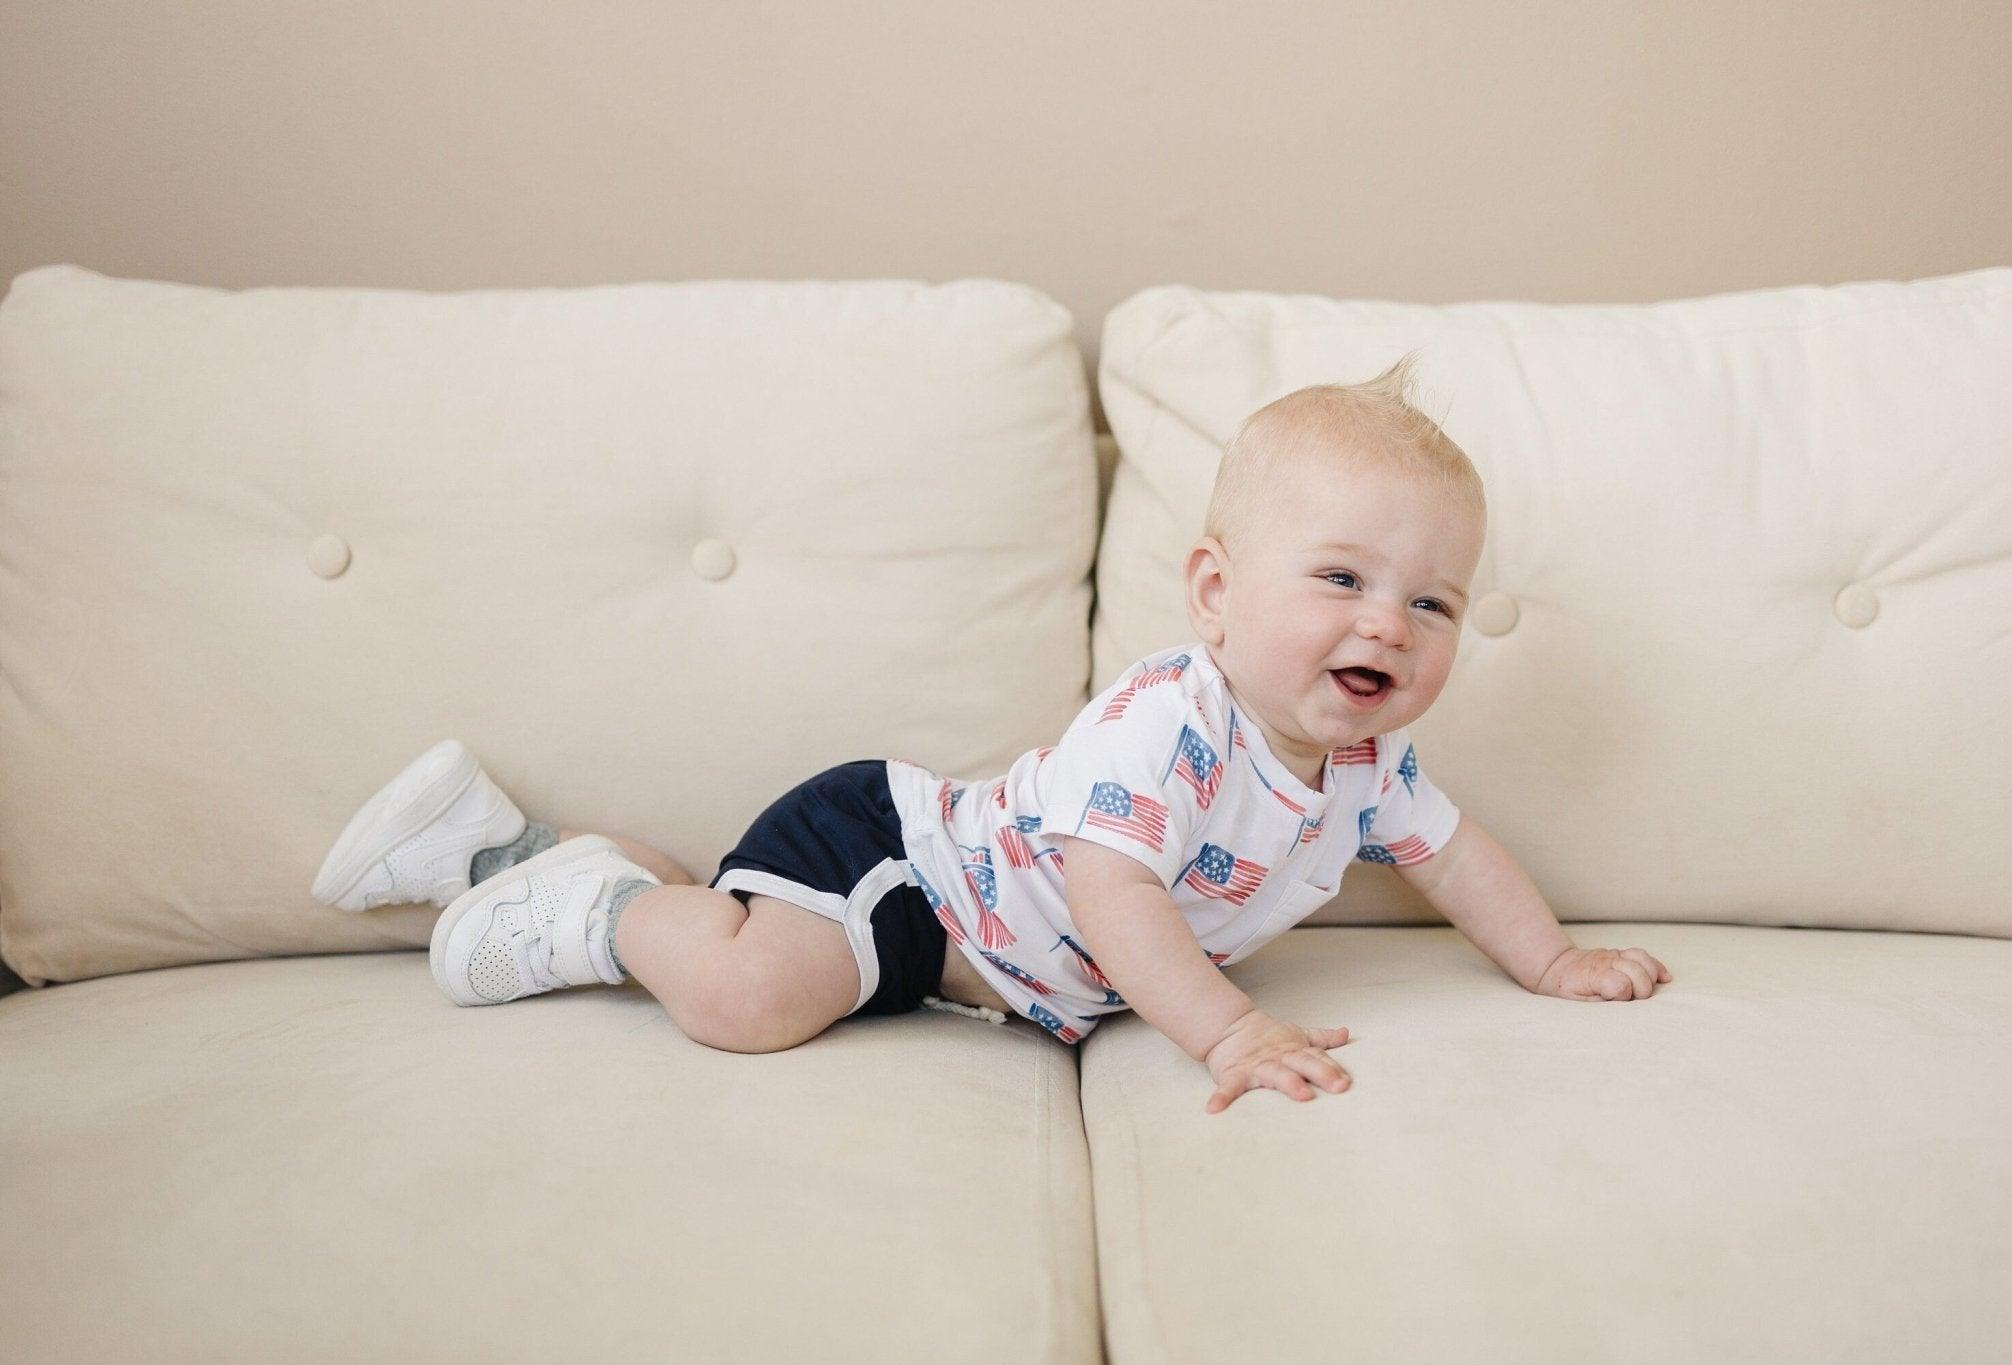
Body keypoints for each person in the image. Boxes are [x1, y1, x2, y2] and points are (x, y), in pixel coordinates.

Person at [312, 354, 1670, 1114]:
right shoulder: (1166, 727)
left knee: (745, 945)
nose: (1389, 625)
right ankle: (594, 909)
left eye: (1430, 601)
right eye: (1342, 580)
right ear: (1215, 591)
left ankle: (537, 849)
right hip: (901, 869)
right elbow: (1111, 892)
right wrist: (1232, 1033)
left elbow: (1459, 854)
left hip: (962, 959)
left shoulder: (1371, 767)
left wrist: (1550, 959)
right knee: (748, 1001)